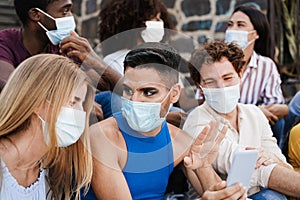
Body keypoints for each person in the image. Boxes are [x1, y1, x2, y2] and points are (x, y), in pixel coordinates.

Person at [81, 42, 247, 200]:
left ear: (174, 94)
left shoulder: (178, 140)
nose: (134, 100)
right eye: (127, 90)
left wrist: (203, 166)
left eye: (148, 92)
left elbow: (221, 195)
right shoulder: (101, 137)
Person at [184, 40, 300, 199]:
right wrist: (269, 166)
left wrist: (271, 158)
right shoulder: (196, 121)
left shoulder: (254, 113)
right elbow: (240, 164)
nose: (222, 87)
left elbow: (282, 165)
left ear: (240, 75)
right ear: (200, 87)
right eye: (211, 82)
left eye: (227, 78)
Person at [0, 54, 94, 199]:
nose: (81, 113)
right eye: (73, 102)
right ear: (37, 101)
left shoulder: (56, 175)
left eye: (82, 104)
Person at [0, 0, 121, 92]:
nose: (70, 17)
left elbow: (121, 89)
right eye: (64, 11)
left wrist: (93, 59)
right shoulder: (5, 43)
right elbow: (10, 90)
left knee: (106, 100)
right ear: (36, 14)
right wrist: (70, 101)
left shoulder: (65, 48)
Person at [224, 5, 288, 148]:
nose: (233, 29)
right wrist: (256, 111)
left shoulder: (266, 65)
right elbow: (205, 102)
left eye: (240, 25)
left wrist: (256, 115)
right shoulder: (217, 62)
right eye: (230, 24)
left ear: (255, 34)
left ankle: (272, 159)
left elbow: (276, 106)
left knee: (278, 122)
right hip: (223, 122)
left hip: (253, 125)